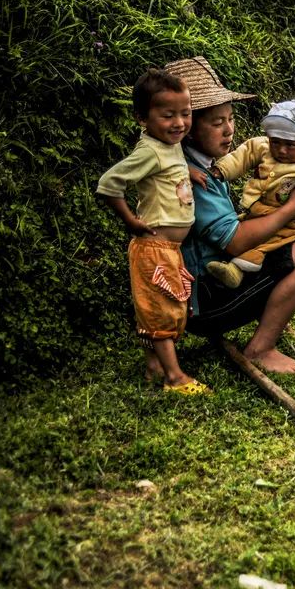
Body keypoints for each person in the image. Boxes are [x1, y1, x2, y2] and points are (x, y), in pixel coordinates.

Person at [166, 56, 295, 373]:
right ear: (188, 130)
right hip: (206, 297)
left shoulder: (202, 163)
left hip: (220, 273)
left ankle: (274, 320)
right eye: (216, 123)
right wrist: (294, 205)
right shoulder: (192, 179)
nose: (228, 130)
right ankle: (260, 348)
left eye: (230, 119)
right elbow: (235, 244)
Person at [96, 68, 205, 393]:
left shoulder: (166, 145)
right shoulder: (148, 151)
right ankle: (175, 377)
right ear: (143, 118)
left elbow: (166, 163)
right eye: (167, 115)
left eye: (185, 114)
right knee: (162, 311)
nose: (179, 123)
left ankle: (154, 365)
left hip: (168, 249)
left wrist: (188, 171)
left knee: (159, 306)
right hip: (154, 248)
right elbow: (108, 184)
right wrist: (130, 219)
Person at [201, 100, 295, 289]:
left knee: (268, 242)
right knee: (247, 229)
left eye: (291, 145)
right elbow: (243, 156)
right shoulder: (263, 147)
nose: (281, 150)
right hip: (258, 209)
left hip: (290, 221)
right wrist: (222, 170)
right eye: (275, 142)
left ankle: (237, 269)